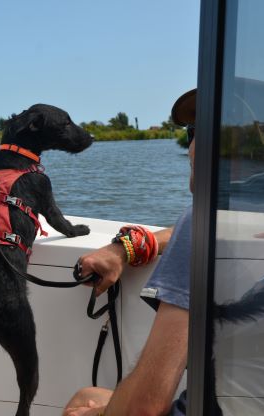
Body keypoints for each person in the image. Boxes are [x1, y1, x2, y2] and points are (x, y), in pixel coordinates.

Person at [63, 88, 197, 416]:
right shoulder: (241, 218)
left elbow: (143, 407)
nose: (193, 144)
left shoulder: (205, 223)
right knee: (88, 394)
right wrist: (129, 246)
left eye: (204, 133)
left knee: (83, 405)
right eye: (193, 132)